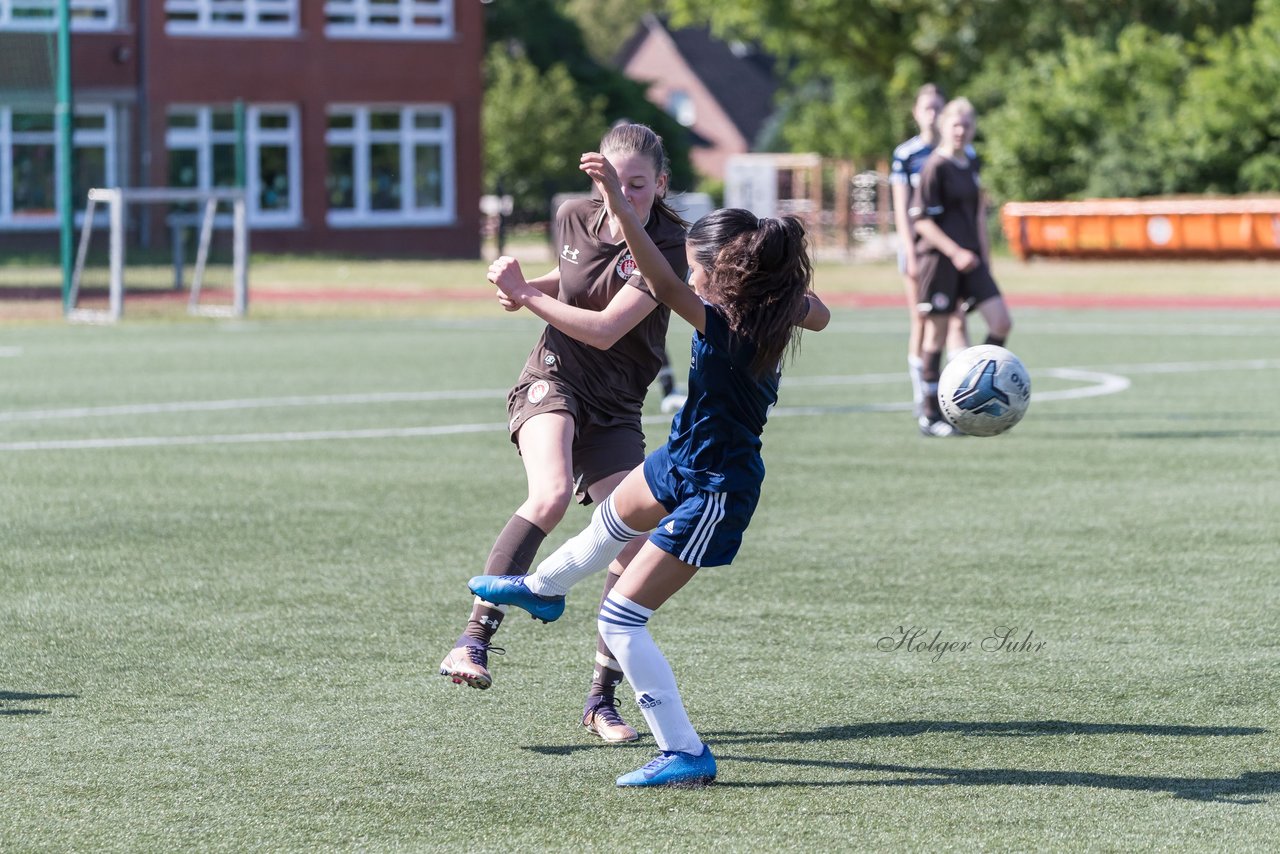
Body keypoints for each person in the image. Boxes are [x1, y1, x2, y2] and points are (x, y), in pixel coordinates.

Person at [470, 154, 831, 787]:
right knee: (609, 521)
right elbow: (818, 312)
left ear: (720, 278)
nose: (686, 274)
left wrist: (618, 200)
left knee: (622, 619)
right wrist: (784, 289)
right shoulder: (766, 308)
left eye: (696, 266)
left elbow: (664, 284)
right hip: (682, 459)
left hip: (716, 489)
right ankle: (545, 589)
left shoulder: (728, 324)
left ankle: (685, 751)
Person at [438, 123, 690, 747]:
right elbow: (577, 276)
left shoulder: (670, 243)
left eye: (637, 184)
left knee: (633, 541)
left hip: (617, 406)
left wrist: (527, 294)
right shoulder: (575, 214)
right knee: (549, 494)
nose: (623, 195)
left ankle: (599, 701)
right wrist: (528, 286)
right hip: (553, 378)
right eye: (612, 181)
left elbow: (606, 328)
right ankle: (473, 639)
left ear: (660, 184)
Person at [909, 97, 1013, 436]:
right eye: (955, 124)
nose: (960, 130)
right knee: (936, 334)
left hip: (972, 261)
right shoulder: (934, 167)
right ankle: (930, 413)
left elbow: (978, 216)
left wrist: (984, 255)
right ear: (944, 126)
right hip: (940, 261)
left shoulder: (970, 163)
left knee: (1001, 321)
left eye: (966, 125)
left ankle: (977, 388)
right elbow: (921, 222)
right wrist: (954, 252)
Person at [890, 83, 971, 421]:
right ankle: (921, 394)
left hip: (951, 253)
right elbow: (903, 208)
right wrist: (910, 252)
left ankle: (957, 395)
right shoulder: (907, 155)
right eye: (927, 108)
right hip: (922, 252)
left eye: (938, 107)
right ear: (916, 114)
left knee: (958, 319)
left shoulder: (958, 152)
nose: (933, 114)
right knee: (922, 321)